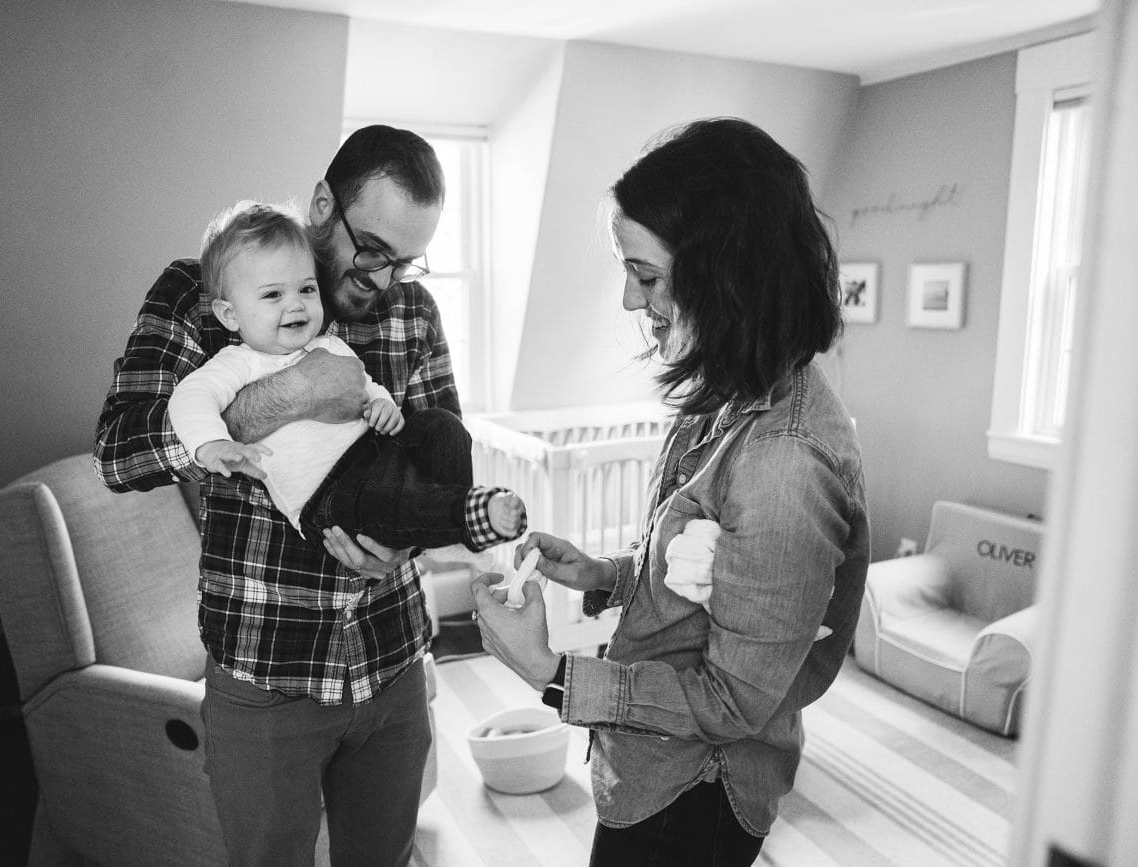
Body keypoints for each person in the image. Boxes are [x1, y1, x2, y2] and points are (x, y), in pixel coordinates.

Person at [470, 117, 870, 866]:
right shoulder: (726, 395)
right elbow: (701, 577)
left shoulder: (786, 462)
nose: (629, 300)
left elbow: (733, 701)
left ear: (728, 274)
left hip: (698, 789)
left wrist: (552, 674)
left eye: (646, 276)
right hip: (649, 764)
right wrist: (605, 573)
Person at [94, 125, 480, 866]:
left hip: (394, 659)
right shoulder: (203, 292)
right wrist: (284, 395)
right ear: (322, 202)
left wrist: (407, 540)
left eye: (404, 261)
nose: (382, 278)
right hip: (267, 676)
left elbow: (442, 458)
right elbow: (117, 451)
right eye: (370, 249)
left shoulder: (412, 312)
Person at [167, 199, 525, 555]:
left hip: (377, 457)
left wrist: (383, 404)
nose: (296, 304)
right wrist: (210, 444)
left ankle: (453, 519)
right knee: (384, 498)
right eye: (274, 295)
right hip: (327, 498)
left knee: (441, 426)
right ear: (230, 314)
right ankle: (466, 516)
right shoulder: (240, 363)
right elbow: (190, 397)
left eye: (306, 289)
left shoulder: (331, 346)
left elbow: (367, 387)